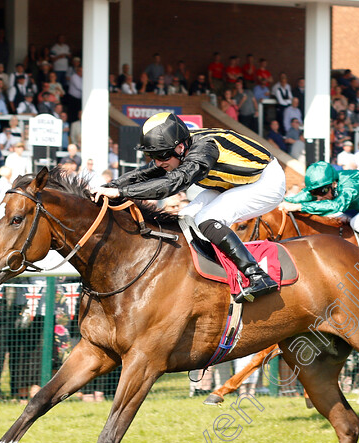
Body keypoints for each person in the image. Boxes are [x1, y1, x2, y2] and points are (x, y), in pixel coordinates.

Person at [90, 112, 285, 302]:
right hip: (232, 183)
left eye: (162, 155)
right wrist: (108, 187)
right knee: (185, 218)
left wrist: (121, 193)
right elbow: (144, 174)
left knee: (206, 220)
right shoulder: (180, 149)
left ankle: (257, 275)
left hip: (266, 181)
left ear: (181, 147)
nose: (158, 162)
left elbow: (173, 183)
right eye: (152, 155)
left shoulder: (204, 149)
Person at [281, 161, 359, 247]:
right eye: (315, 191)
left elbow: (336, 206)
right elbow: (306, 195)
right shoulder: (329, 184)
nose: (319, 196)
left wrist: (300, 207)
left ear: (334, 183)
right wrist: (286, 202)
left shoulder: (351, 183)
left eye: (322, 191)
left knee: (357, 223)